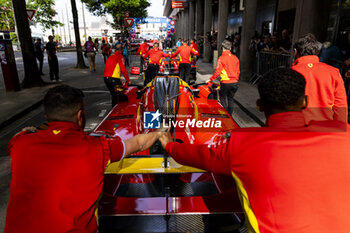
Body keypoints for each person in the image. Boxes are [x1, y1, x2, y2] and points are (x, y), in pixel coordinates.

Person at [159, 68, 350, 233]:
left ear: (259, 106)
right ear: (305, 102)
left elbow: (199, 155)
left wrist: (169, 144)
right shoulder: (344, 133)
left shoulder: (241, 143)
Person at [4, 85, 165, 233]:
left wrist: (29, 131)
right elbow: (137, 143)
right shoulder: (97, 147)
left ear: (46, 115)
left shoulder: (20, 143)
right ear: (80, 115)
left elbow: (19, 137)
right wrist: (159, 132)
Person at [291, 34, 348, 123]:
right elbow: (340, 105)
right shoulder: (333, 72)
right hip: (325, 127)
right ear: (317, 52)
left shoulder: (290, 73)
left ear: (295, 52)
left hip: (297, 127)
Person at [207, 40, 239, 115]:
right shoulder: (235, 58)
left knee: (223, 98)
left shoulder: (221, 58)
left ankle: (225, 115)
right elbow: (238, 71)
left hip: (225, 82)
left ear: (223, 48)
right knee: (231, 99)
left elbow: (218, 71)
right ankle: (230, 116)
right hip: (235, 82)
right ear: (230, 49)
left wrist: (211, 79)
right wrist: (236, 79)